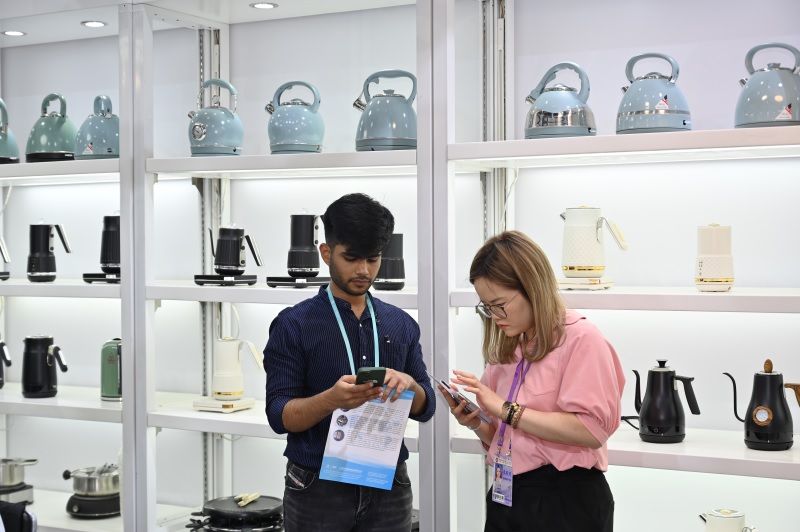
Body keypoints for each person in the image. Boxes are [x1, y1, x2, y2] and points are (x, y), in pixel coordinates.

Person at [264, 193, 435, 532]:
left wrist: (410, 386)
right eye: (351, 258)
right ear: (326, 253)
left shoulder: (400, 323)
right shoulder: (293, 324)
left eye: (373, 259)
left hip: (388, 484)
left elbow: (425, 407)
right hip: (316, 486)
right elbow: (278, 415)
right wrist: (331, 400)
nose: (363, 270)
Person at [441, 230, 624, 532]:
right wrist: (476, 423)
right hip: (509, 494)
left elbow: (592, 430)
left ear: (532, 288)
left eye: (500, 304)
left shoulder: (581, 339)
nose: (494, 316)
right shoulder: (510, 345)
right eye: (486, 307)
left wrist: (506, 409)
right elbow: (507, 437)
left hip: (565, 501)